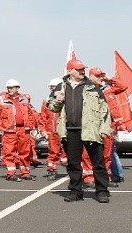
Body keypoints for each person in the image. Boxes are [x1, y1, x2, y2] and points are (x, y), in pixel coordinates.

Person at [47, 58, 113, 203]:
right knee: (73, 163)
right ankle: (76, 191)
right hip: (70, 131)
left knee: (98, 162)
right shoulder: (61, 87)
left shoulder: (92, 87)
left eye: (83, 69)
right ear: (70, 70)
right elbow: (52, 107)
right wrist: (58, 100)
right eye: (78, 69)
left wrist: (104, 128)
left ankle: (102, 191)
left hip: (91, 130)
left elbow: (105, 110)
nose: (82, 71)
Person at [0, 79, 36, 181]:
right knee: (9, 152)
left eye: (12, 87)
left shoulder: (24, 99)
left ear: (17, 88)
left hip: (23, 129)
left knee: (25, 152)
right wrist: (1, 127)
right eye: (8, 88)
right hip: (9, 131)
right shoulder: (2, 100)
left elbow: (30, 114)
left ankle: (25, 173)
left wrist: (31, 125)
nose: (10, 89)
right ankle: (11, 173)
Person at [39, 78, 63, 179]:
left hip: (64, 131)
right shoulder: (47, 100)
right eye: (51, 87)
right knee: (53, 152)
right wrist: (43, 130)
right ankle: (51, 170)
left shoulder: (66, 99)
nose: (52, 89)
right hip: (52, 131)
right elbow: (43, 117)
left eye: (54, 87)